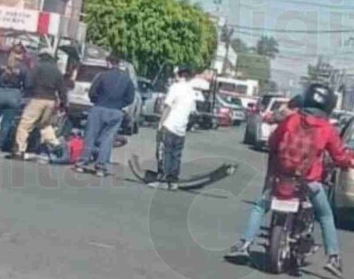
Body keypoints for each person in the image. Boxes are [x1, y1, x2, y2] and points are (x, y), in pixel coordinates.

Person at [225, 84, 354, 278]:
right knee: (326, 216)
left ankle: (244, 244)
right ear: (329, 106)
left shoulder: (291, 120)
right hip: (309, 182)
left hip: (281, 177)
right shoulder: (327, 129)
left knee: (260, 206)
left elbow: (273, 142)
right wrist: (349, 161)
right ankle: (333, 258)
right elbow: (340, 156)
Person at [73, 53, 136, 177]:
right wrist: (119, 105)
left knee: (90, 136)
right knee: (108, 139)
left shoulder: (102, 76)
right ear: (120, 63)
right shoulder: (127, 79)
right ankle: (101, 167)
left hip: (99, 108)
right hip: (116, 111)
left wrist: (97, 101)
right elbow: (130, 98)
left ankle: (82, 163)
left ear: (108, 63)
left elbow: (92, 93)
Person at [12, 48, 67, 160]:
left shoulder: (38, 67)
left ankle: (19, 150)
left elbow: (29, 82)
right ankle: (55, 144)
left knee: (25, 124)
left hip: (38, 98)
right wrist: (63, 104)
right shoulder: (57, 71)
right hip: (51, 101)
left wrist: (28, 92)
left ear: (42, 56)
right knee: (44, 124)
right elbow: (62, 89)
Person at [150, 65, 196, 190]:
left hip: (170, 124)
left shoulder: (175, 88)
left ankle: (163, 179)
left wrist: (160, 123)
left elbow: (168, 107)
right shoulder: (192, 92)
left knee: (165, 153)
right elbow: (192, 112)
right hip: (181, 129)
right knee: (176, 155)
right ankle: (173, 180)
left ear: (179, 75)